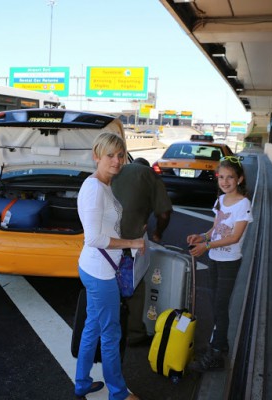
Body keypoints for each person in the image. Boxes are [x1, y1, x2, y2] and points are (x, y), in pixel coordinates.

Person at [75, 132, 143, 400]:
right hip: (100, 272)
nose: (116, 161)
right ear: (96, 156)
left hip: (96, 268)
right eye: (110, 155)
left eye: (120, 155)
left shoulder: (104, 184)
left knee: (93, 326)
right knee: (111, 334)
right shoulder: (94, 188)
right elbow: (92, 238)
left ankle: (82, 382)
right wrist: (133, 242)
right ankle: (117, 393)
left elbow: (104, 225)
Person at [186, 156, 253, 372]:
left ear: (239, 178)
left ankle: (216, 354)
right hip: (215, 258)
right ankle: (220, 344)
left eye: (230, 177)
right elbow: (215, 229)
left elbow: (234, 237)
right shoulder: (221, 200)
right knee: (215, 302)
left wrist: (207, 246)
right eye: (221, 177)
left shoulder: (243, 204)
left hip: (229, 262)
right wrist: (202, 237)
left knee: (220, 306)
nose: (225, 182)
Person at [111, 157, 173, 346]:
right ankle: (134, 333)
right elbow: (164, 213)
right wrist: (157, 233)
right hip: (132, 238)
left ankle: (108, 327)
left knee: (108, 280)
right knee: (135, 282)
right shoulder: (149, 175)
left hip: (105, 238)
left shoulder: (115, 168)